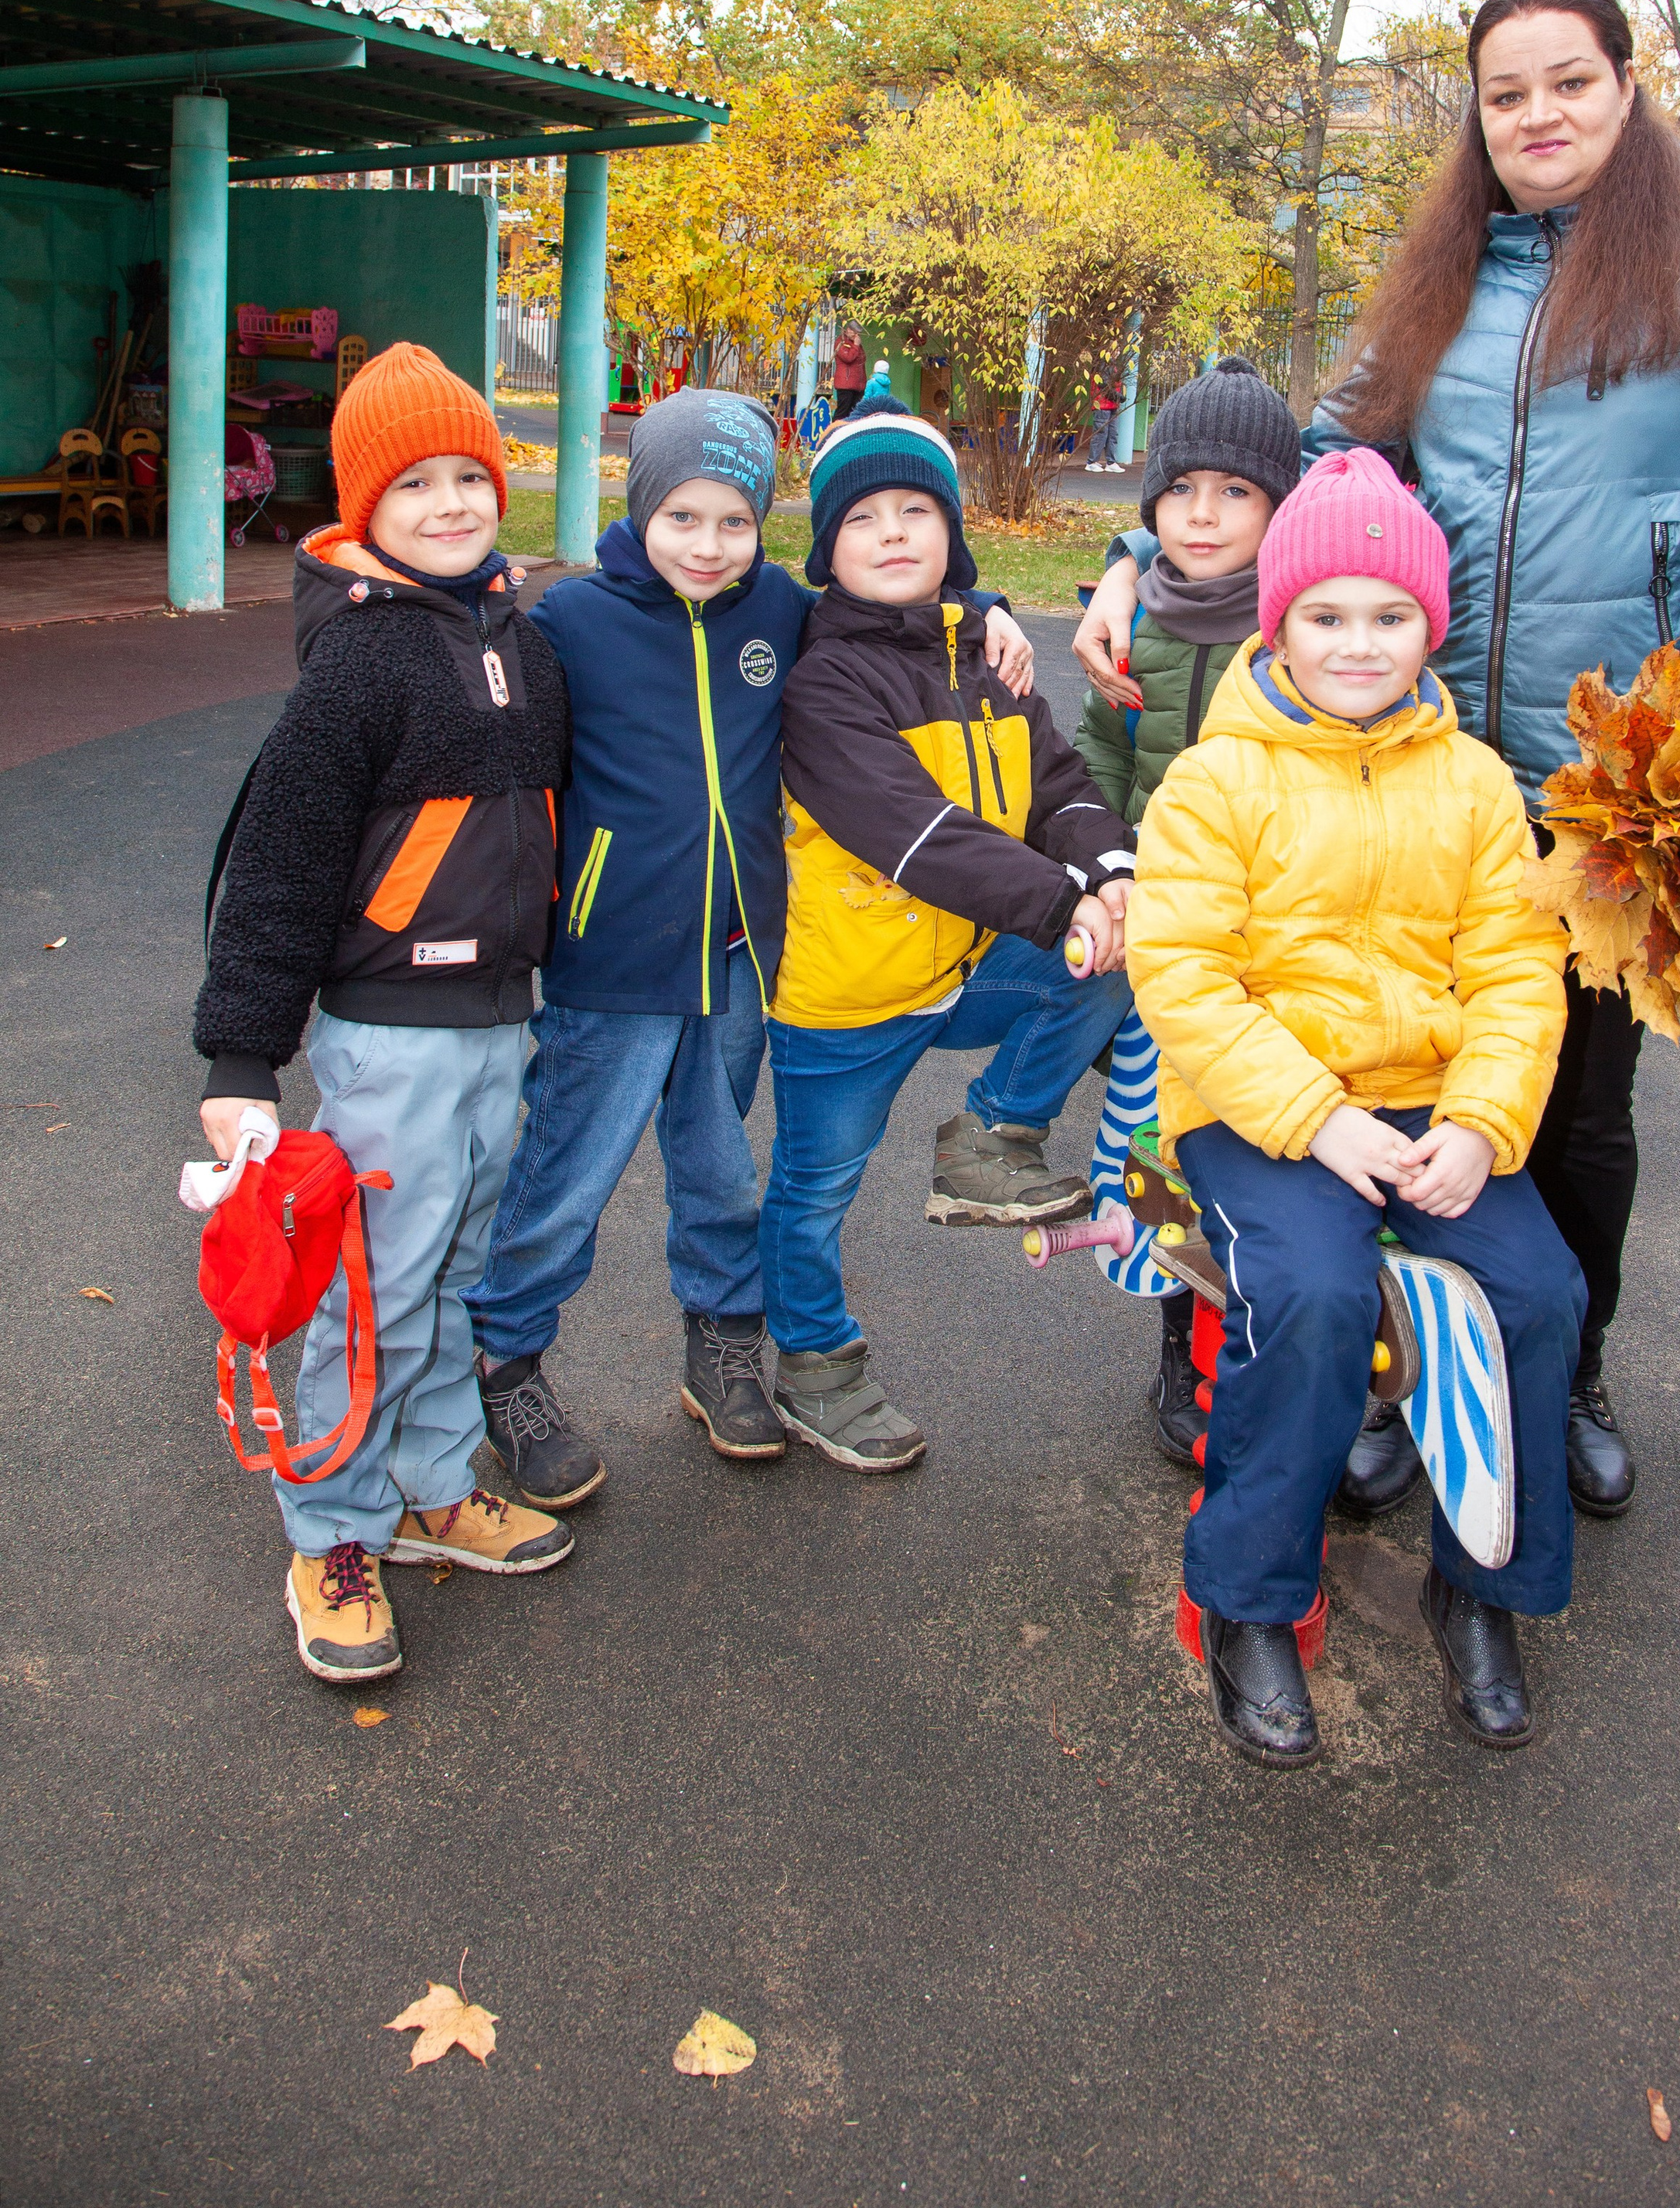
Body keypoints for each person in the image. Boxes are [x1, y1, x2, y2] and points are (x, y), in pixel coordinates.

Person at [1079, 0, 1680, 1520]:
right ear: (1475, 118)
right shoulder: (1444, 275)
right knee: (1401, 1080)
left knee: (1573, 1103)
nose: (1537, 116)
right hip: (1423, 760)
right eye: (1504, 96)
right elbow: (1315, 460)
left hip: (1618, 787)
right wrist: (1143, 564)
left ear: (1625, 87)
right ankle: (1403, 1372)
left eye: (1567, 83)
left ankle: (1558, 1373)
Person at [463, 390, 1036, 1504]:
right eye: (684, 519)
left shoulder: (778, 608)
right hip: (611, 965)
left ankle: (723, 1345)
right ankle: (509, 1360)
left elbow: (895, 600)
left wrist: (991, 598)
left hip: (733, 958)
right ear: (643, 511)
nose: (710, 547)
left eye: (735, 522)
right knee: (566, 1178)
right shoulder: (570, 625)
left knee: (722, 1167)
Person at [1130, 447, 1578, 1766]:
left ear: (1429, 627)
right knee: (1315, 1299)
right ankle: (1250, 1599)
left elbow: (1514, 973)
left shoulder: (1477, 783)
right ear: (1280, 622)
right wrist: (1317, 1119)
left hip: (1433, 1110)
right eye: (1326, 616)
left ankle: (1482, 1580)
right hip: (1262, 1114)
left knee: (1541, 1296)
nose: (1360, 644)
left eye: (1391, 618)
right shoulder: (1222, 780)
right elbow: (1185, 975)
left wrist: (1484, 1124)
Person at [193, 343, 575, 1688]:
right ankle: (332, 1535)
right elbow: (281, 861)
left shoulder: (519, 640)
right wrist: (244, 1056)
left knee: (459, 1276)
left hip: (500, 1023)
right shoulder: (357, 664)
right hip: (391, 1030)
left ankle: (425, 1488)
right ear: (365, 504)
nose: (454, 501)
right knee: (379, 1293)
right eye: (416, 483)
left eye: (471, 473)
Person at [757, 392, 1139, 1470]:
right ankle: (816, 1369)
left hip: (964, 965)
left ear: (952, 537)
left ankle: (991, 1138)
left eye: (914, 512)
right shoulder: (827, 680)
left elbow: (1056, 789)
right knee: (814, 1187)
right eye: (862, 517)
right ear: (829, 548)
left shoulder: (986, 660)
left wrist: (1110, 875)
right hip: (850, 992)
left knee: (1121, 948)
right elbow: (914, 834)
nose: (891, 534)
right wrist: (1060, 902)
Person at [1070, 355, 1303, 1460]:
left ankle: (1281, 1349)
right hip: (1164, 953)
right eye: (1180, 492)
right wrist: (1104, 870)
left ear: (1279, 507)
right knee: (1162, 1150)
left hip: (1270, 950)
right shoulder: (1139, 625)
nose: (1202, 517)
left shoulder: (1302, 638)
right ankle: (1180, 1340)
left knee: (1268, 1153)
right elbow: (1096, 768)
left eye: (1237, 493)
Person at [831, 323, 867, 420]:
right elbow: (848, 358)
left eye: (857, 333)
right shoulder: (841, 342)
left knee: (854, 414)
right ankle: (835, 432)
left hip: (857, 385)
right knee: (842, 412)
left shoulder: (856, 343)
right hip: (846, 384)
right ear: (847, 330)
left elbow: (862, 360)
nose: (856, 335)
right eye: (854, 332)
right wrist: (856, 346)